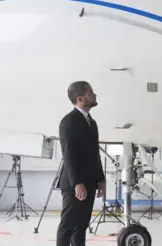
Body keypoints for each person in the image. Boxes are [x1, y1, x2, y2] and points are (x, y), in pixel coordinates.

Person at [56, 81, 106, 246]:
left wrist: (101, 179)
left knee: (82, 226)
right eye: (90, 93)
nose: (94, 95)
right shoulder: (69, 121)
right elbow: (68, 154)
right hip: (74, 184)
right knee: (68, 226)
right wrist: (77, 183)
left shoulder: (91, 122)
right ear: (80, 98)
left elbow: (95, 153)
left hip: (90, 182)